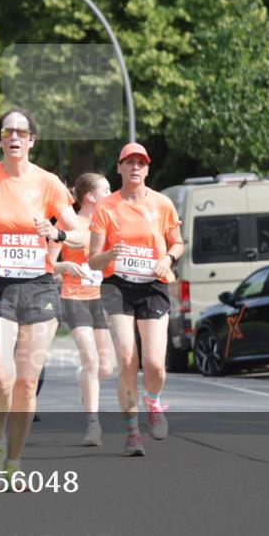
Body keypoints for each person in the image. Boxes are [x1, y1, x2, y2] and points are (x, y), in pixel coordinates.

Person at [0, 108, 85, 485]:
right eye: (7, 131)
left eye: (21, 132)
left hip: (38, 287)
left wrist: (56, 234)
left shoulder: (49, 184)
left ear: (31, 141)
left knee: (27, 382)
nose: (14, 137)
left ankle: (14, 461)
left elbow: (81, 236)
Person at [89, 143, 184, 457]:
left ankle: (153, 401)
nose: (134, 168)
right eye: (128, 162)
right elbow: (93, 261)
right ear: (119, 168)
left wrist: (168, 259)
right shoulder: (106, 207)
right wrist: (109, 254)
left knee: (155, 364)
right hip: (117, 285)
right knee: (128, 359)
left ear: (147, 169)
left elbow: (178, 243)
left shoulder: (162, 204)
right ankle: (132, 433)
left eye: (140, 163)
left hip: (153, 285)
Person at [53, 173, 115, 445]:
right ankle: (93, 425)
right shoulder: (68, 223)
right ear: (91, 196)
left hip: (103, 299)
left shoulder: (109, 223)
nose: (111, 193)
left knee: (105, 369)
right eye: (107, 189)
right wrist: (64, 266)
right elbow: (46, 262)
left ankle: (85, 380)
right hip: (74, 297)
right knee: (90, 360)